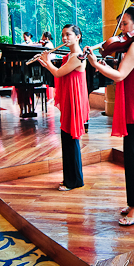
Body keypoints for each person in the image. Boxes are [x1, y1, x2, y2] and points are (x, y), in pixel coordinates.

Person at [85, 6, 134, 226]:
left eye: (125, 24)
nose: (122, 31)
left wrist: (95, 64)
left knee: (133, 154)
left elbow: (119, 75)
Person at [38, 25, 89, 191]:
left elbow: (59, 73)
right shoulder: (69, 56)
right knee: (67, 139)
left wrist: (47, 62)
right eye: (62, 35)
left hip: (75, 101)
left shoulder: (78, 56)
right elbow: (60, 73)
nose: (64, 38)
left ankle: (74, 181)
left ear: (78, 37)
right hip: (70, 99)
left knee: (71, 139)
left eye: (68, 35)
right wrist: (48, 64)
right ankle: (71, 178)